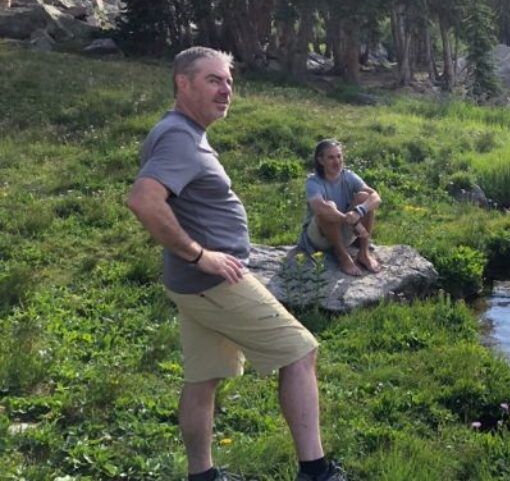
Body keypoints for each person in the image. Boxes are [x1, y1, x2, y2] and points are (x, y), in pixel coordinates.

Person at [126, 47, 345, 481]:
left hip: (192, 282)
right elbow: (144, 201)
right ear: (182, 84)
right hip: (213, 281)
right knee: (301, 351)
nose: (225, 90)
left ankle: (202, 475)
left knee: (204, 377)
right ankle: (315, 471)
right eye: (213, 80)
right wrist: (200, 254)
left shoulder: (180, 131)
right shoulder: (178, 136)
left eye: (228, 81)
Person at [297, 139, 382, 277]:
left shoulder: (349, 176)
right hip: (320, 237)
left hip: (345, 231)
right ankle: (343, 257)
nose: (336, 162)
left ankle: (363, 253)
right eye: (331, 157)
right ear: (320, 160)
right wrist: (350, 220)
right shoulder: (313, 181)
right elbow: (319, 207)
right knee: (328, 206)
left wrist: (358, 211)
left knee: (364, 197)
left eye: (339, 156)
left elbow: (376, 197)